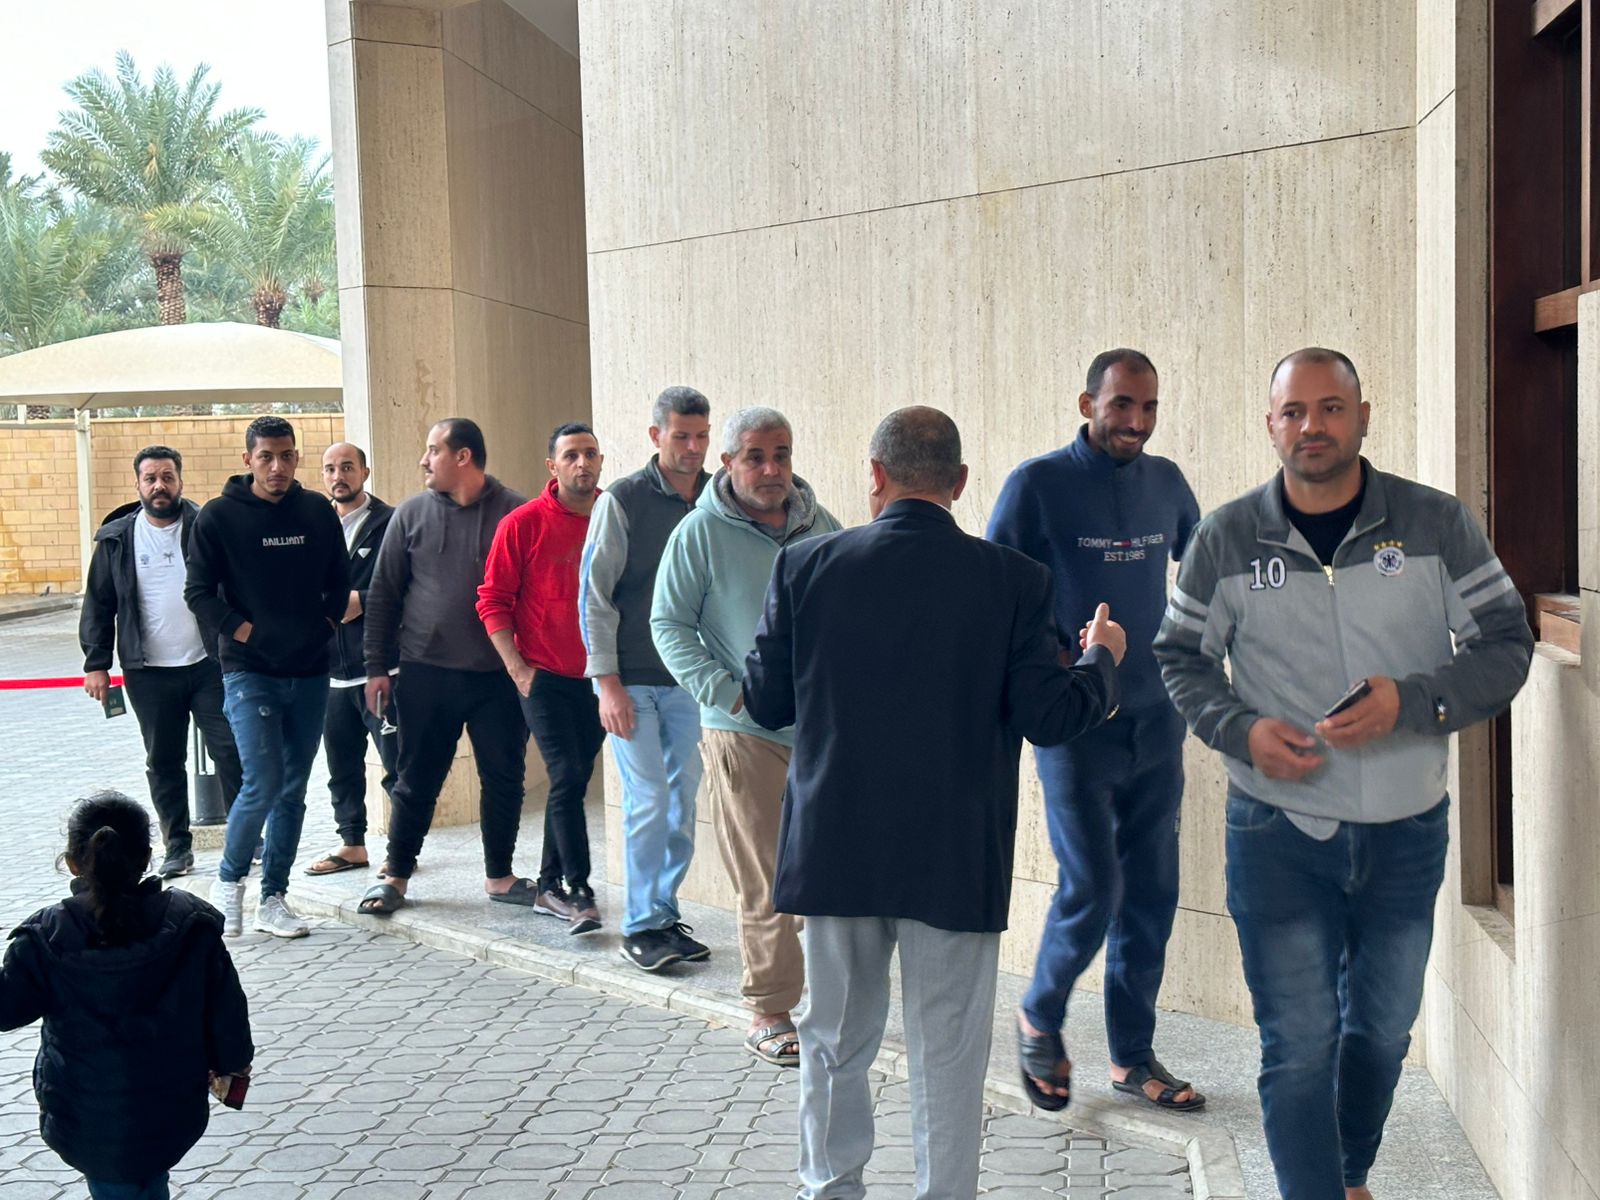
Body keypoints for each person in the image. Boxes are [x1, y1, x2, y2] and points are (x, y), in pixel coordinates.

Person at [1154, 348, 1533, 1200]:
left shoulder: (1435, 524)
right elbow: (1180, 657)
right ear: (1270, 426)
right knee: (1297, 1043)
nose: (1312, 427)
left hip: (1407, 830)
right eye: (1293, 411)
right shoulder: (1226, 538)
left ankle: (1348, 1171)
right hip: (1275, 830)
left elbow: (1507, 644)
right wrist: (1241, 730)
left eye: (1331, 408)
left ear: (1364, 417)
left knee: (1384, 1031)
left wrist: (1415, 701)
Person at [742, 407, 1123, 1200]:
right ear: (960, 483)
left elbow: (766, 700)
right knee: (947, 1054)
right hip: (955, 854)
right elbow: (1050, 718)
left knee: (832, 1041)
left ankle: (829, 1189)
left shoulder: (804, 567)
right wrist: (1101, 662)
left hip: (837, 847)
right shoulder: (1015, 579)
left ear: (875, 476)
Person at [987, 349, 1204, 1113]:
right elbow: (997, 595)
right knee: (1093, 886)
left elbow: (1205, 571)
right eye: (1121, 406)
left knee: (1153, 892)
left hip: (1158, 720)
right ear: (1088, 404)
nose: (1136, 422)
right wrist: (1058, 657)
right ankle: (1039, 1015)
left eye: (1149, 407)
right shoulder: (1036, 485)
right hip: (1077, 723)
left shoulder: (1167, 483)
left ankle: (1131, 1058)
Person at [652, 406, 841, 1066]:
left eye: (781, 455)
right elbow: (668, 624)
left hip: (820, 730)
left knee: (827, 872)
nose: (770, 469)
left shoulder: (820, 526)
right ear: (728, 462)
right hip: (743, 731)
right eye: (755, 457)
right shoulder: (699, 533)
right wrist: (727, 691)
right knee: (767, 878)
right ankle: (769, 1008)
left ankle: (830, 996)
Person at [0, 790, 254, 1200]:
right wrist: (232, 1065)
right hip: (171, 1104)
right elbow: (227, 1013)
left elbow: (6, 1009)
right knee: (145, 1180)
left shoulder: (45, 936)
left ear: (72, 862)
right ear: (147, 857)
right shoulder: (191, 923)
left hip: (83, 1113)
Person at [186, 416, 348, 939]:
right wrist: (248, 633)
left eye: (286, 456)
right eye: (266, 457)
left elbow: (339, 581)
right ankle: (229, 883)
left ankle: (273, 897)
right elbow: (198, 593)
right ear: (248, 460)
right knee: (264, 781)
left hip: (310, 671)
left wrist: (323, 625)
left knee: (293, 789)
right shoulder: (218, 517)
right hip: (249, 671)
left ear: (296, 457)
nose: (277, 466)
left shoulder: (317, 511)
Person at [358, 418, 528, 917]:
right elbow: (383, 596)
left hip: (501, 677)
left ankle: (500, 877)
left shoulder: (515, 513)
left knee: (504, 778)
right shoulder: (409, 515)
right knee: (415, 779)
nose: (423, 460)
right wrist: (376, 666)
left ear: (463, 457)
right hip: (426, 673)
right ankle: (395, 877)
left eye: (433, 450)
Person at [580, 387, 714, 969]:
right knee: (649, 800)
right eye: (681, 436)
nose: (693, 447)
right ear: (656, 435)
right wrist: (605, 681)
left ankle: (662, 914)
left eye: (702, 436)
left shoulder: (718, 498)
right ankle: (638, 926)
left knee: (681, 803)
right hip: (630, 679)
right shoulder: (624, 500)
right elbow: (594, 595)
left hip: (692, 680)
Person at [79, 445, 242, 881]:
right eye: (150, 478)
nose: (159, 485)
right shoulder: (117, 539)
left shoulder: (205, 527)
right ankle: (178, 847)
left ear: (180, 481)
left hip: (210, 664)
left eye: (167, 477)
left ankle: (245, 837)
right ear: (138, 484)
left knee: (230, 749)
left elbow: (236, 587)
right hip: (148, 671)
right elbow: (99, 603)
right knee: (164, 760)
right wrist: (96, 662)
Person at [478, 422, 607, 934]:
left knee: (572, 780)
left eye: (590, 454)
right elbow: (492, 600)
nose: (582, 463)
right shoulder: (523, 523)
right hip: (543, 676)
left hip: (599, 677)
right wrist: (517, 668)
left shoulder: (613, 519)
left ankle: (549, 887)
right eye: (571, 455)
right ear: (553, 467)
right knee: (569, 772)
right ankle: (577, 890)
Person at [303, 442, 399, 876]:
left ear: (365, 472)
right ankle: (352, 845)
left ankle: (401, 851)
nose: (338, 476)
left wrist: (362, 600)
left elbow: (410, 585)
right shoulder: (310, 527)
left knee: (398, 767)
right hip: (329, 675)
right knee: (341, 769)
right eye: (330, 469)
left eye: (347, 467)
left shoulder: (390, 523)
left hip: (382, 669)